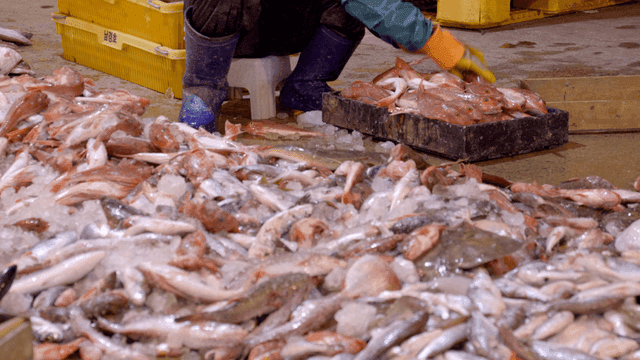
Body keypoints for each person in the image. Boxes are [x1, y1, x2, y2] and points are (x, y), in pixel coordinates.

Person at [179, 0, 496, 132]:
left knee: (354, 5)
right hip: (235, 26)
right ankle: (199, 104)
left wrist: (435, 42)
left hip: (285, 23)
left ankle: (305, 88)